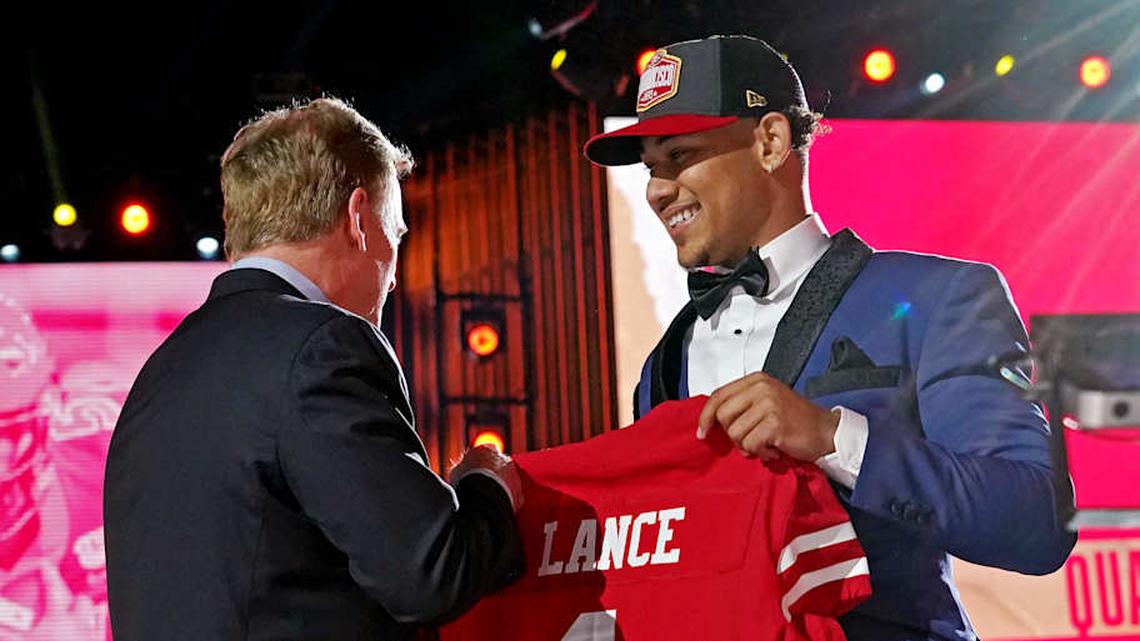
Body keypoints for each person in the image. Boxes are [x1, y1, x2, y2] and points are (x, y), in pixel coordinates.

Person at [584, 35, 1076, 641]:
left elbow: (1035, 520)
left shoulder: (940, 298)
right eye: (651, 168)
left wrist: (831, 438)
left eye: (680, 155)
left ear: (770, 142)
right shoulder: (664, 363)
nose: (656, 190)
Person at [104, 97, 524, 641]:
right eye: (396, 235)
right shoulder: (323, 347)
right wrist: (487, 482)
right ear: (359, 219)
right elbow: (430, 574)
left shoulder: (161, 371)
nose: (394, 277)